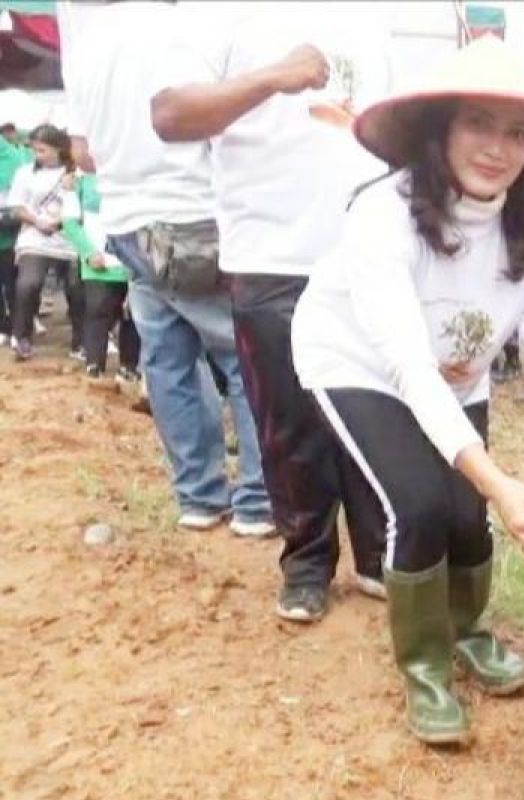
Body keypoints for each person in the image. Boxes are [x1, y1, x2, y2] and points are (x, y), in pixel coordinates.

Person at [291, 36, 524, 745]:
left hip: (456, 368)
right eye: (478, 124)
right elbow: (405, 366)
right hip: (359, 362)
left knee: (466, 513)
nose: (498, 147)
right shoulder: (383, 213)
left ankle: (468, 631)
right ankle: (425, 664)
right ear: (441, 129)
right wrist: (498, 482)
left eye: (516, 131)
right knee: (423, 503)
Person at [150, 4, 396, 621]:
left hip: (366, 251)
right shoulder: (220, 17)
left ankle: (376, 556)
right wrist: (272, 76)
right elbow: (170, 114)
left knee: (375, 408)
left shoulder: (369, 20)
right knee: (289, 424)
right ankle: (308, 562)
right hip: (272, 253)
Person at [58, 0, 272, 537]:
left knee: (168, 357)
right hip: (197, 215)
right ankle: (257, 500)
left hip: (130, 223)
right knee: (245, 358)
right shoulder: (189, 26)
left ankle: (199, 497)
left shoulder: (85, 45)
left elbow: (83, 154)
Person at [8, 124, 84, 361]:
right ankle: (21, 337)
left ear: (59, 149)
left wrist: (63, 222)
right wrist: (37, 221)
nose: (37, 155)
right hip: (35, 238)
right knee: (28, 284)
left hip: (69, 240)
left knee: (77, 288)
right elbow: (16, 207)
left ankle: (81, 342)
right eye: (35, 150)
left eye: (42, 150)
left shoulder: (76, 173)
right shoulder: (25, 172)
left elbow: (83, 208)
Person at [60, 165, 139, 380]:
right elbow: (69, 221)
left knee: (132, 314)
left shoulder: (137, 174)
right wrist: (87, 252)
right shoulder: (78, 180)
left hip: (134, 259)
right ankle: (94, 365)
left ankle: (129, 367)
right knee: (97, 311)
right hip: (98, 260)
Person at [0, 123, 33, 349]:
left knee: (14, 284)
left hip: (9, 233)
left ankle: (19, 330)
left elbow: (23, 196)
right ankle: (2, 326)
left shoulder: (15, 158)